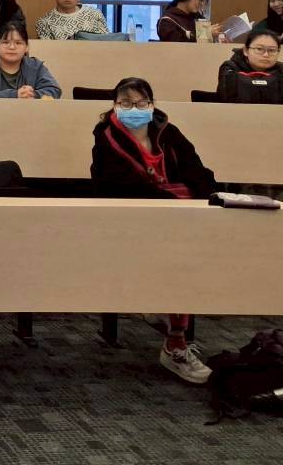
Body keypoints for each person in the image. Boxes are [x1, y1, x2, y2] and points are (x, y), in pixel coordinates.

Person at [90, 77, 216, 386]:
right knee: (179, 261)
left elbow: (197, 170)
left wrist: (209, 199)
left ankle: (170, 322)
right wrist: (169, 202)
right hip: (136, 221)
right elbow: (114, 187)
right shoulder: (106, 140)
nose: (134, 109)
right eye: (126, 103)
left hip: (184, 215)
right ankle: (176, 343)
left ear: (152, 105)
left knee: (195, 256)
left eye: (141, 103)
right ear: (114, 106)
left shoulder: (169, 133)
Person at [216, 32, 283, 205]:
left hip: (277, 134)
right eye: (260, 49)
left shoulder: (281, 69)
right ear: (246, 50)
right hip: (238, 135)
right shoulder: (230, 68)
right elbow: (229, 97)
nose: (266, 55)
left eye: (272, 51)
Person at [0, 21, 62, 99]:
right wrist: (15, 95)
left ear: (26, 47)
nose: (12, 47)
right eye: (5, 42)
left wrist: (32, 94)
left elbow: (54, 90)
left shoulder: (36, 66)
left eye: (18, 43)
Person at [157, 0, 221, 43]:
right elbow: (177, 45)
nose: (201, 3)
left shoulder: (197, 17)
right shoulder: (167, 21)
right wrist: (206, 34)